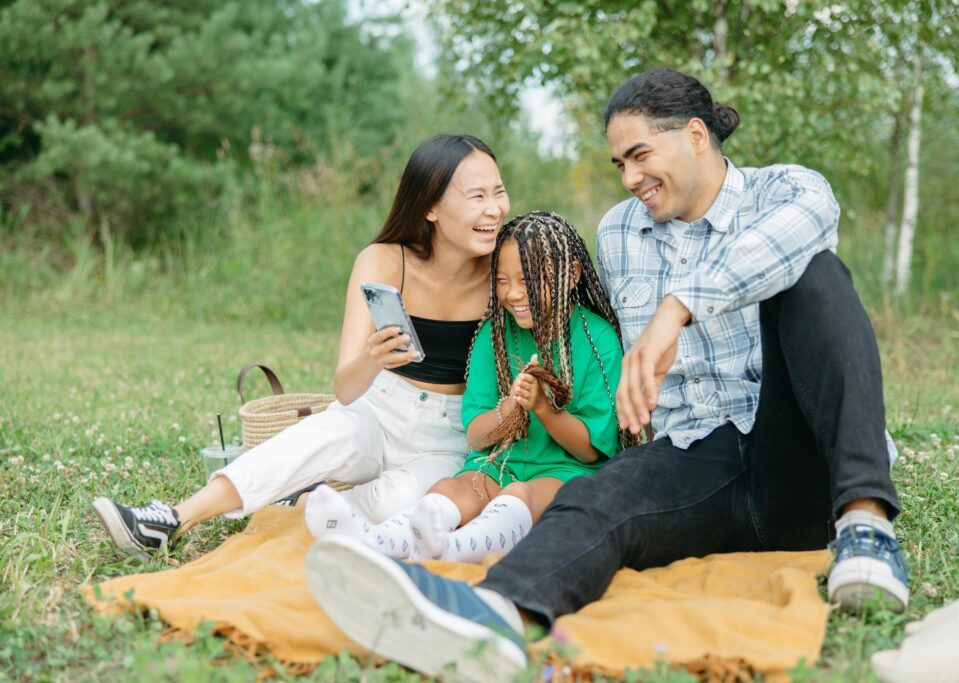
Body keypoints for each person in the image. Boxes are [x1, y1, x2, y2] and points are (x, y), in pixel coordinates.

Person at [303, 68, 910, 683]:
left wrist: (678, 308)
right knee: (590, 494)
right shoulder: (622, 230)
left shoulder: (787, 191)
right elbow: (584, 335)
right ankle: (494, 618)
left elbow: (786, 244)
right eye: (619, 163)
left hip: (797, 453)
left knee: (818, 276)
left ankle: (866, 527)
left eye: (640, 155)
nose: (630, 178)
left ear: (695, 135)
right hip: (695, 456)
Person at [91, 133, 511, 559]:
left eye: (499, 192)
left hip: (449, 437)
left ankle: (305, 506)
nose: (494, 209)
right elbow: (346, 389)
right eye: (476, 195)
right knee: (313, 440)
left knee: (395, 509)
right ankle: (171, 519)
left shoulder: (504, 275)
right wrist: (372, 357)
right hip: (379, 407)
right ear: (430, 206)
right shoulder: (385, 260)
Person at [303, 212, 631, 563]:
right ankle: (379, 539)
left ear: (573, 275)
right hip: (497, 464)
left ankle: (452, 550)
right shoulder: (494, 337)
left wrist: (542, 408)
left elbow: (590, 452)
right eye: (502, 280)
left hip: (566, 473)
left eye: (529, 279)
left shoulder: (599, 341)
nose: (515, 293)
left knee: (522, 494)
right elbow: (476, 437)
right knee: (456, 487)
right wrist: (509, 409)